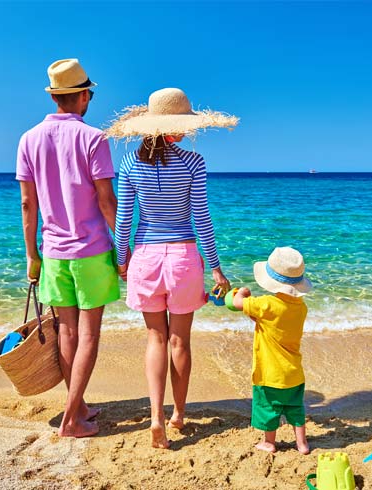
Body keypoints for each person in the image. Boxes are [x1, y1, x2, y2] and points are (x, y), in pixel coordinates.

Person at [106, 87, 238, 449]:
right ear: (174, 129)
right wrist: (216, 268)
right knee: (180, 340)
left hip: (146, 257)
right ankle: (179, 413)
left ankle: (156, 417)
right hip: (183, 257)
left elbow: (124, 221)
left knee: (155, 339)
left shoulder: (131, 163)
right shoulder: (194, 163)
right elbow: (201, 218)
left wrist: (121, 260)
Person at [16, 58, 120, 438]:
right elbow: (107, 200)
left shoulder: (28, 139)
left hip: (54, 252)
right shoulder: (93, 138)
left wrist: (32, 254)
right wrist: (123, 247)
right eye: (89, 93)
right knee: (89, 335)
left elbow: (29, 205)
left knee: (67, 333)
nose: (89, 99)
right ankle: (72, 418)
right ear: (80, 96)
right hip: (90, 251)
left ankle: (77, 405)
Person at [232, 247, 312, 454]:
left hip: (270, 374)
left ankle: (269, 442)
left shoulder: (266, 304)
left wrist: (241, 292)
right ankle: (302, 444)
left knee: (268, 408)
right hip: (294, 372)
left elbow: (237, 303)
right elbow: (274, 322)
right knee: (295, 408)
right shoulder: (301, 308)